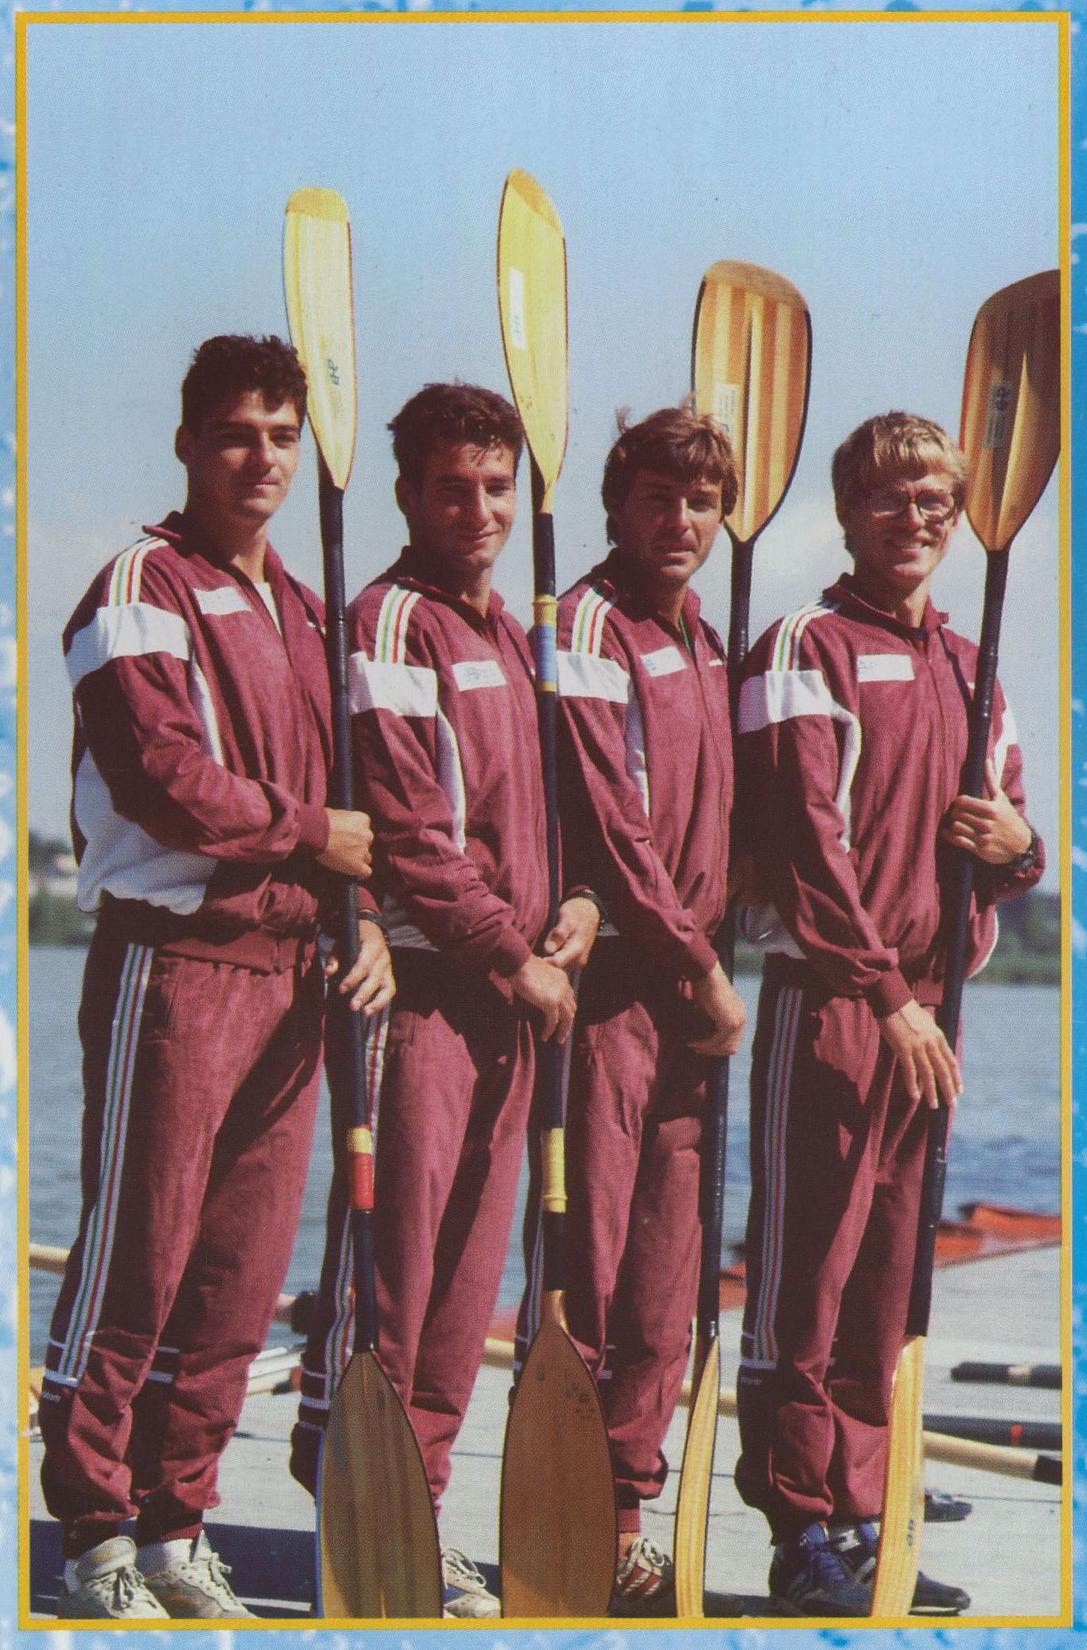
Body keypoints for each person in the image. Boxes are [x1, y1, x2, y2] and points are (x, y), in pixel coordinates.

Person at [39, 335, 382, 1620]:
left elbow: (357, 805)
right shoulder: (139, 586)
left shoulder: (305, 606)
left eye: (284, 437)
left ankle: (176, 1526)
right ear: (187, 442)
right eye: (237, 434)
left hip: (294, 971)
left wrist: (364, 917)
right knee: (139, 1257)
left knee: (237, 1275)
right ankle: (93, 1536)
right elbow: (161, 779)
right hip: (175, 962)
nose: (263, 459)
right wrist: (310, 835)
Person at [290, 382, 596, 1618]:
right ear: (407, 494)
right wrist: (510, 955)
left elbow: (550, 814)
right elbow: (410, 832)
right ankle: (353, 1500)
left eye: (497, 489)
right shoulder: (387, 625)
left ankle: (412, 1507)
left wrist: (580, 906)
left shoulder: (514, 635)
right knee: (396, 1269)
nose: (480, 511)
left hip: (509, 996)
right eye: (453, 489)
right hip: (422, 991)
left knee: (467, 1285)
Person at [733, 411, 1043, 1616]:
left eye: (933, 502)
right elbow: (802, 848)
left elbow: (1009, 843)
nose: (912, 519)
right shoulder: (801, 647)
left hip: (933, 1016)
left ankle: (865, 1516)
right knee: (804, 1282)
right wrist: (883, 998)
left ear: (957, 518)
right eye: (887, 498)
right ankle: (798, 1527)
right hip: (836, 1006)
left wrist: (1016, 846)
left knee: (888, 1288)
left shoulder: (974, 664)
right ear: (846, 511)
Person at [516, 407, 748, 1612]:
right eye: (658, 498)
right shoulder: (583, 625)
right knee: (588, 1266)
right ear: (615, 507)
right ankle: (547, 1513)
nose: (680, 521)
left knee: (665, 1279)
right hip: (615, 991)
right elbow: (609, 820)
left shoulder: (707, 640)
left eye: (701, 502)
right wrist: (698, 965)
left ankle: (620, 1527)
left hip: (688, 1002)